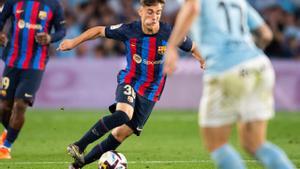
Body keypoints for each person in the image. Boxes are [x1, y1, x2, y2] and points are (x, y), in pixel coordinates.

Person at [58, 0, 205, 168]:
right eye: (150, 12)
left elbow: (192, 47)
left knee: (120, 134)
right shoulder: (129, 30)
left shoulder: (168, 32)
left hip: (151, 92)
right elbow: (99, 31)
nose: (154, 16)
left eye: (158, 12)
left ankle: (78, 165)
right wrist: (73, 42)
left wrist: (202, 59)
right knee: (123, 114)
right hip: (130, 80)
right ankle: (79, 145)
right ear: (141, 11)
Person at [164, 0, 296, 169]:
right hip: (259, 65)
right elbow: (265, 34)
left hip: (226, 68)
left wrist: (171, 47)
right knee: (256, 144)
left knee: (216, 143)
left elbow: (192, 7)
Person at [0, 0, 66, 159]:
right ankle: (9, 131)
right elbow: (1, 19)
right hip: (12, 60)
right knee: (4, 107)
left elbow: (62, 30)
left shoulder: (53, 5)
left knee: (21, 103)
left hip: (36, 64)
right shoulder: (13, 1)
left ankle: (5, 147)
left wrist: (50, 37)